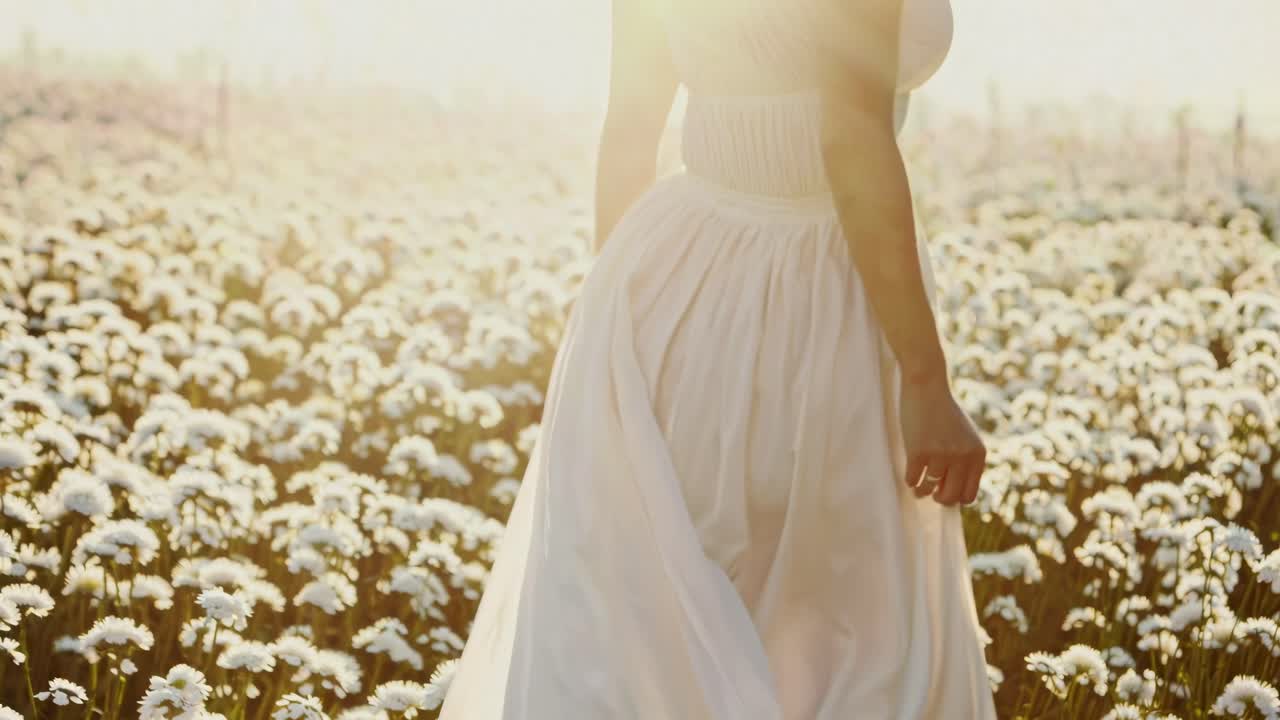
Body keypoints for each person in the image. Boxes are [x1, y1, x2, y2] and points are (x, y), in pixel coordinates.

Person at [438, 0, 997, 716]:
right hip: (822, 299)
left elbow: (630, 131)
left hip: (666, 287)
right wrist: (923, 372)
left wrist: (611, 328)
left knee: (654, 635)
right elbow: (852, 137)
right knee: (843, 639)